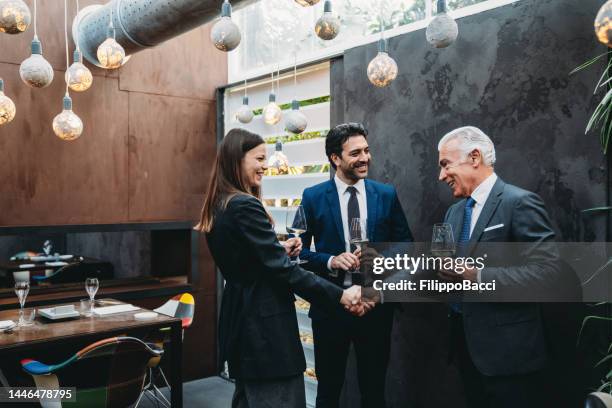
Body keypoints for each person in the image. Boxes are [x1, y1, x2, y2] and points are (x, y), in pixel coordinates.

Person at [197, 128, 363, 408]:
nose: (265, 166)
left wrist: (277, 250)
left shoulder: (219, 203)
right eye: (259, 158)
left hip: (241, 324)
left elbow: (246, 261)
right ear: (237, 158)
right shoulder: (245, 205)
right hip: (264, 332)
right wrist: (340, 295)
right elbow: (284, 271)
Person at [436, 126, 559, 408]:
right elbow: (442, 262)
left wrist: (476, 275)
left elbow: (548, 274)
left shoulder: (520, 203)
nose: (441, 176)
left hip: (510, 356)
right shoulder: (453, 212)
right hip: (466, 349)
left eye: (445, 165)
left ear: (475, 157)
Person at [299, 122, 413, 408]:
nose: (365, 158)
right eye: (355, 153)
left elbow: (406, 245)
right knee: (328, 392)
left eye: (367, 150)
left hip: (375, 309)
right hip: (331, 308)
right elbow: (297, 254)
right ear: (335, 158)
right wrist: (330, 260)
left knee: (374, 392)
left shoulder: (385, 194)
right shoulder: (312, 197)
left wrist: (382, 259)